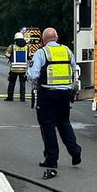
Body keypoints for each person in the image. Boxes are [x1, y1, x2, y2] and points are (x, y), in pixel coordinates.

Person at [28, 27, 81, 170]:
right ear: (56, 38)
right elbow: (75, 69)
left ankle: (52, 159)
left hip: (47, 94)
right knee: (64, 122)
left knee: (48, 126)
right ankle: (75, 151)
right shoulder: (67, 51)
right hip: (65, 94)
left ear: (43, 40)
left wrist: (33, 82)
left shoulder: (41, 52)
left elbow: (33, 75)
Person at [3, 31, 29, 101]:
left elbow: (7, 55)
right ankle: (22, 98)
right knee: (22, 84)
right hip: (23, 69)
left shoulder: (12, 46)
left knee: (12, 83)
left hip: (14, 68)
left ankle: (10, 97)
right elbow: (29, 56)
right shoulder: (27, 47)